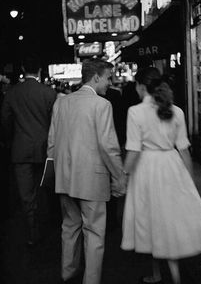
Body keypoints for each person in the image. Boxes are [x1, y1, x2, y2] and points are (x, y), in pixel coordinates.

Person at [120, 68, 201, 284]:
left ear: (142, 86)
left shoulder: (135, 112)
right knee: (169, 220)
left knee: (151, 220)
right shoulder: (177, 111)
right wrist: (189, 180)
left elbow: (134, 150)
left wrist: (123, 175)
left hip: (147, 168)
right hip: (172, 166)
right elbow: (183, 149)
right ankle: (169, 275)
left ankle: (161, 275)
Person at [47, 58, 126, 284]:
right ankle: (90, 280)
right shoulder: (102, 105)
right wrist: (119, 176)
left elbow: (51, 142)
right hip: (92, 179)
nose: (109, 83)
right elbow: (108, 146)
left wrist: (53, 172)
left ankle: (67, 272)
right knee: (94, 233)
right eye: (108, 78)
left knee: (69, 227)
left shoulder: (61, 103)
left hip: (64, 177)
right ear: (96, 77)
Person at [1, 55, 57, 245]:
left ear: (23, 69)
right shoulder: (49, 93)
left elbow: (5, 122)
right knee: (46, 189)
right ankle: (49, 225)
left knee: (26, 194)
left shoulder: (12, 93)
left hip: (21, 149)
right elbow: (55, 123)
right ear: (40, 70)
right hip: (45, 149)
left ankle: (33, 231)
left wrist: (10, 141)